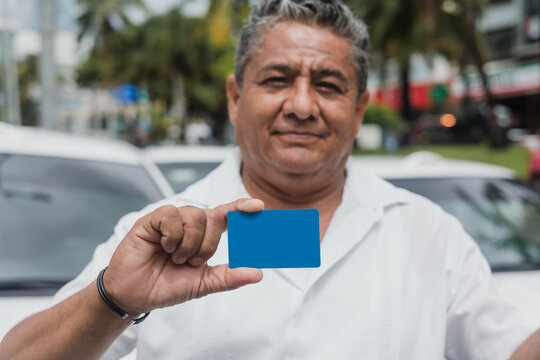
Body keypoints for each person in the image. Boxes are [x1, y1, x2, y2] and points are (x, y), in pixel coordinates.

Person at [1, 0, 539, 359]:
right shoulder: (155, 237)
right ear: (236, 98)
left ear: (359, 110)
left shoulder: (429, 232)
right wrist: (111, 301)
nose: (301, 105)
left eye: (328, 85)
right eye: (278, 79)